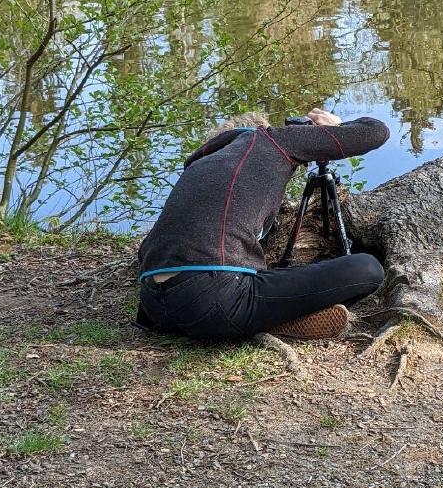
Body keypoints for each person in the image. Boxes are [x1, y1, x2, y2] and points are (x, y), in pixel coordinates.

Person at [136, 108, 389, 340]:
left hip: (153, 307)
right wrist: (337, 126)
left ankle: (259, 318)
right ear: (261, 129)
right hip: (215, 301)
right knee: (367, 268)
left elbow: (148, 249)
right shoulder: (271, 140)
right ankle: (273, 322)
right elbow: (376, 132)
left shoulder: (198, 165)